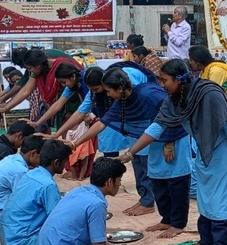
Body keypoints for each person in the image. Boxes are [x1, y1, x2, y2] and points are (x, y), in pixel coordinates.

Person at [123, 59, 227, 245]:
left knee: (221, 201)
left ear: (179, 79)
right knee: (205, 199)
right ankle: (207, 240)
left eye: (164, 80)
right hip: (204, 151)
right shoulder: (175, 99)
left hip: (224, 153)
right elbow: (157, 128)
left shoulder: (210, 94)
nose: (161, 84)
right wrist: (130, 153)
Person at [68, 66, 195, 230]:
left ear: (120, 88)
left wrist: (170, 142)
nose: (107, 95)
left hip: (174, 139)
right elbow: (101, 123)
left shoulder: (149, 95)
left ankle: (178, 224)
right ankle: (166, 220)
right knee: (158, 180)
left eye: (108, 91)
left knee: (176, 182)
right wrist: (74, 143)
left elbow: (175, 114)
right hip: (155, 141)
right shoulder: (120, 101)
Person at [34, 157, 138, 245]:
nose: (120, 184)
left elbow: (97, 241)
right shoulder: (97, 204)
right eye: (119, 180)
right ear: (110, 182)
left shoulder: (78, 191)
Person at [0, 138, 66, 245]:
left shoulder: (30, 174)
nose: (65, 165)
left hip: (7, 239)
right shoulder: (49, 185)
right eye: (65, 162)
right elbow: (57, 222)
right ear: (56, 163)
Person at [0, 135, 45, 234]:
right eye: (41, 157)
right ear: (33, 153)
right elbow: (24, 202)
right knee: (41, 214)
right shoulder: (20, 171)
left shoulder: (12, 159)